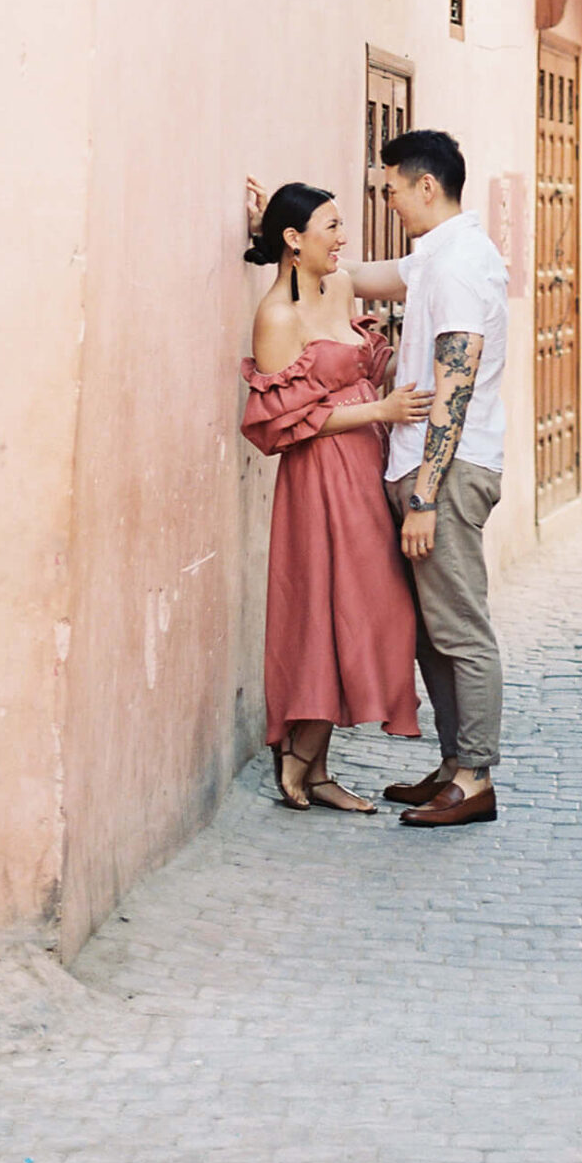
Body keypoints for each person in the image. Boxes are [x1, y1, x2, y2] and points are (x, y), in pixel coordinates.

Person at [240, 181, 433, 813]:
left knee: (370, 604)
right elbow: (284, 423)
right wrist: (380, 407)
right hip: (317, 476)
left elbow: (386, 315)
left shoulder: (342, 287)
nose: (342, 237)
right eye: (330, 227)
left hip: (368, 461)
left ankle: (312, 757)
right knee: (321, 606)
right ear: (294, 242)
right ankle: (306, 759)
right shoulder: (277, 316)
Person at [353, 128, 509, 830]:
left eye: (390, 189)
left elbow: (457, 382)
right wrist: (286, 229)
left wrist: (424, 498)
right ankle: (452, 767)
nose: (387, 201)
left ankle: (474, 777)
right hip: (422, 465)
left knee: (461, 630)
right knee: (433, 632)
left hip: (443, 471)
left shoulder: (458, 267)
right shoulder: (436, 257)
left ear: (424, 185)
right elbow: (362, 276)